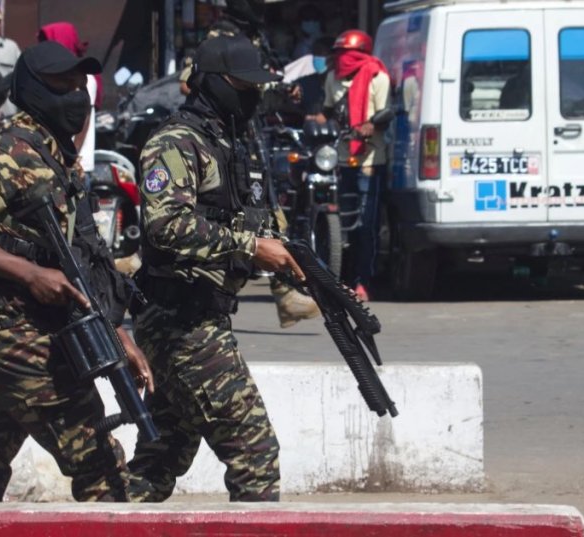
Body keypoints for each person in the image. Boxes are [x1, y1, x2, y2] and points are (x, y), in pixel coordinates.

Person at [0, 41, 153, 502]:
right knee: (104, 473)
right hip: (17, 338)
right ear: (32, 89)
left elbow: (80, 261)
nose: (76, 96)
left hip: (23, 334)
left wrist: (117, 334)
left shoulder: (57, 156)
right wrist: (26, 273)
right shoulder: (12, 151)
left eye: (80, 86)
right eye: (62, 85)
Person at [127, 36, 305, 502]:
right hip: (179, 321)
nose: (252, 96)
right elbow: (166, 225)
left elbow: (247, 216)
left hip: (200, 317)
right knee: (255, 453)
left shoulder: (228, 142)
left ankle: (113, 519)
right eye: (242, 86)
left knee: (161, 456)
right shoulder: (175, 142)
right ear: (212, 84)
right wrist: (251, 248)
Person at [177, 8, 320, 328]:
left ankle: (285, 293)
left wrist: (279, 87)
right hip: (221, 130)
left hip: (247, 134)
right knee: (223, 205)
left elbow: (261, 78)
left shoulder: (256, 37)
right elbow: (188, 83)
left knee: (262, 203)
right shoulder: (220, 38)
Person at [318, 30, 391, 302]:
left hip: (370, 159)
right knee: (342, 223)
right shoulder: (331, 78)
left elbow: (385, 114)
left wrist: (370, 125)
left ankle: (363, 282)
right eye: (339, 56)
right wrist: (315, 119)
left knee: (366, 224)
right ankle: (339, 278)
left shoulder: (377, 77)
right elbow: (326, 111)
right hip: (342, 158)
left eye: (348, 56)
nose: (343, 61)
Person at [37, 22, 97, 183]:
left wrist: (71, 158)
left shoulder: (84, 78)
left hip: (75, 165)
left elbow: (84, 121)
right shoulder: (50, 77)